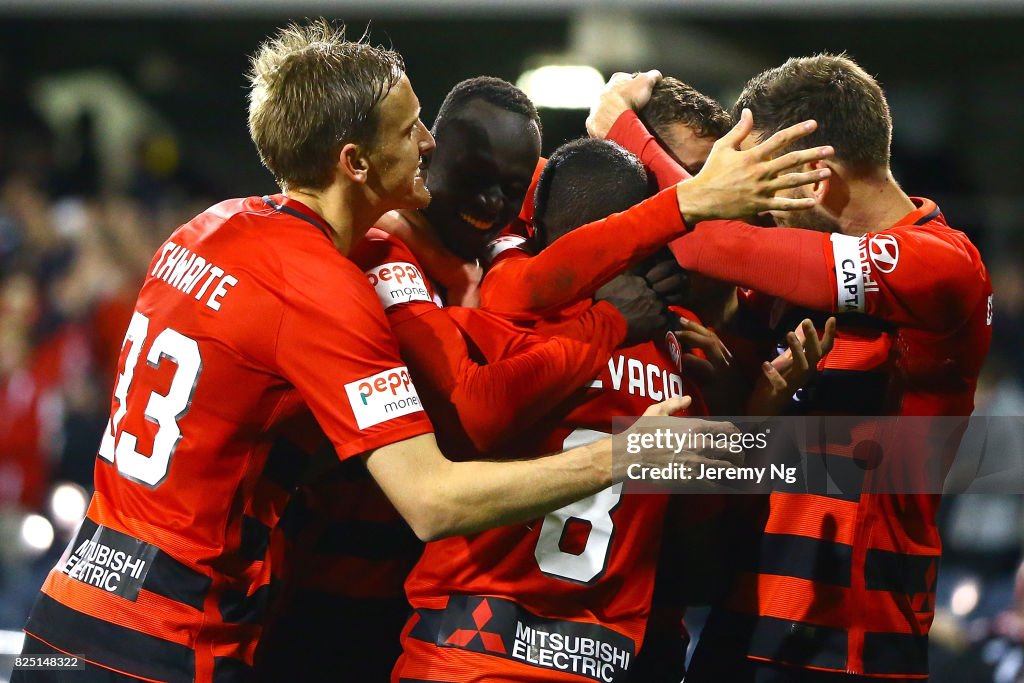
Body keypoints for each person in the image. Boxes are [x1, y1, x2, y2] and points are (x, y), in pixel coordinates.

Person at [12, 22, 685, 683]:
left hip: (70, 609)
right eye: (409, 128)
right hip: (167, 643)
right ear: (355, 162)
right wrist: (621, 454)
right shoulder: (323, 290)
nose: (428, 143)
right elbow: (433, 499)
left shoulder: (205, 229)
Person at [594, 55, 993, 682]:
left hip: (852, 643)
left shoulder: (942, 267)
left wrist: (622, 130)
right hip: (738, 623)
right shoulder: (776, 290)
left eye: (762, 179)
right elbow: (741, 453)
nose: (751, 201)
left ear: (813, 177)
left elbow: (711, 239)